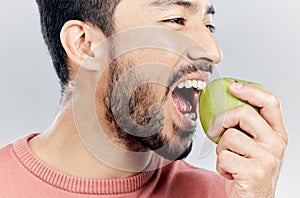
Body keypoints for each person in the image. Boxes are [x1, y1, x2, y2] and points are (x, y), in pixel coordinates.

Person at [0, 0, 288, 197]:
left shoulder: (225, 193)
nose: (213, 51)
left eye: (208, 25)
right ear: (85, 45)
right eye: (175, 19)